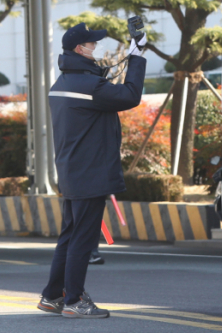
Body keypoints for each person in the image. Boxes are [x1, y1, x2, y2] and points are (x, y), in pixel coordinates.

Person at [37, 22, 146, 319]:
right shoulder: (89, 87)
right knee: (83, 240)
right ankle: (73, 300)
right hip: (89, 174)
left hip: (73, 173)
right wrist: (137, 57)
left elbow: (107, 92)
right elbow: (130, 96)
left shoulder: (63, 85)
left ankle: (51, 296)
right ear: (78, 49)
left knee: (70, 236)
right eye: (92, 44)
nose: (95, 48)